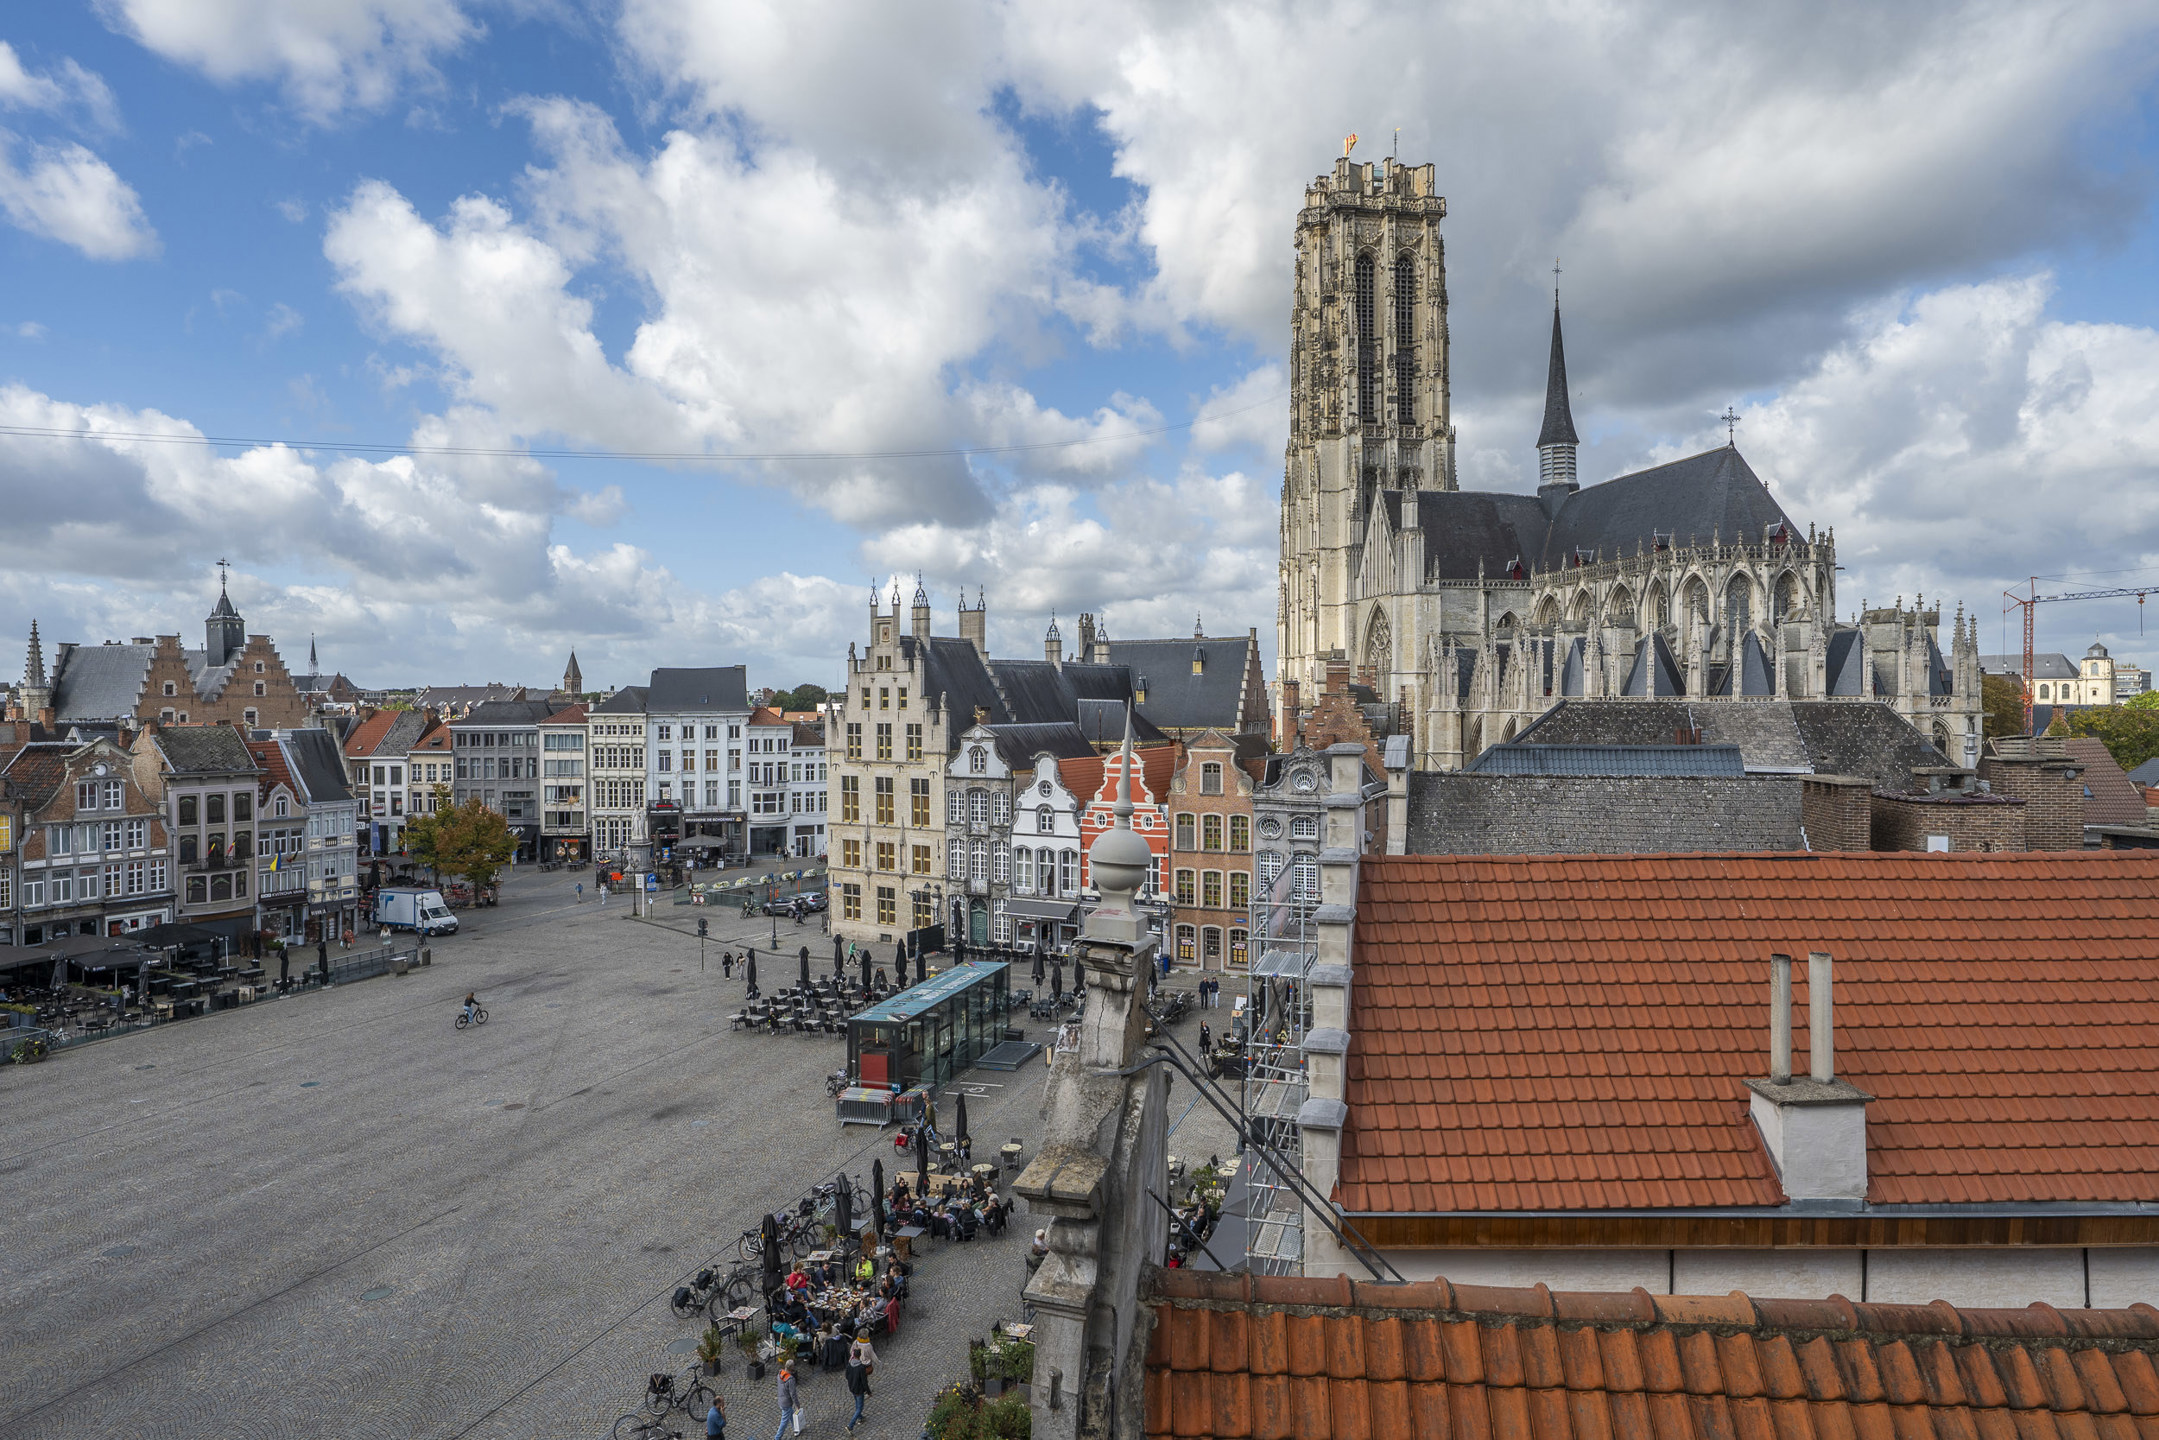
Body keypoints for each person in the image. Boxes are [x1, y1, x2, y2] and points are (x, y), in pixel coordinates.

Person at [845, 1329, 878, 1431]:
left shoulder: (850, 1365)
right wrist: (868, 1392)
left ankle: (860, 1417)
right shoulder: (861, 1368)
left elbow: (847, 1376)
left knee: (856, 1402)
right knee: (859, 1407)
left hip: (852, 1387)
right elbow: (864, 1382)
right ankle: (850, 1425)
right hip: (859, 1389)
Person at [772, 1365, 800, 1440]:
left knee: (791, 1413)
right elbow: (793, 1394)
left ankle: (796, 1429)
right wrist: (797, 1405)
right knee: (784, 1421)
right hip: (786, 1402)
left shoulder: (779, 1375)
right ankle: (777, 1437)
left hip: (781, 1400)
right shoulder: (790, 1380)